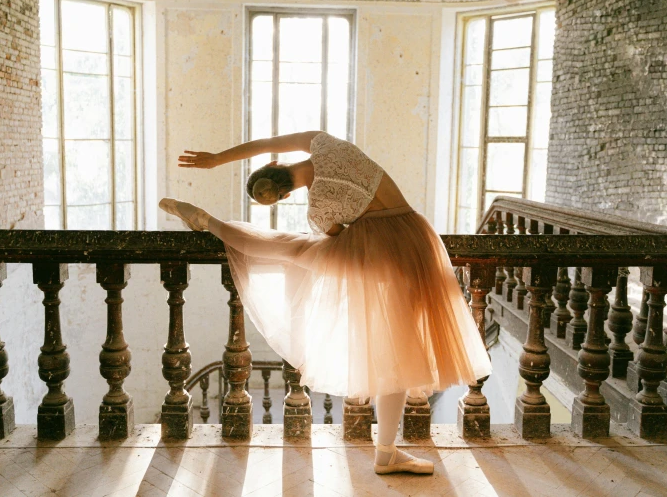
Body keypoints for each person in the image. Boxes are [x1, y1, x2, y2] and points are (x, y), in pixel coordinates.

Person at [160, 131, 491, 475]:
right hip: (415, 239)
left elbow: (340, 241)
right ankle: (386, 452)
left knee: (291, 247)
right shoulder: (324, 144)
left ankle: (211, 223)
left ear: (285, 195)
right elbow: (267, 143)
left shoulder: (319, 209)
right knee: (404, 348)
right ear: (275, 165)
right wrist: (217, 157)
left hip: (377, 253)